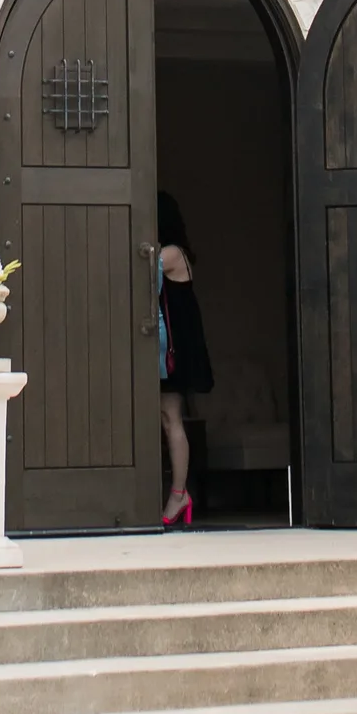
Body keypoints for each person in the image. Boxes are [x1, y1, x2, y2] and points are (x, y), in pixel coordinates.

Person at [155, 191, 211, 528]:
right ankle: (178, 493)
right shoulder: (178, 252)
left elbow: (140, 273)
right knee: (167, 418)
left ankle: (179, 493)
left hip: (170, 352)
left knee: (170, 418)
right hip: (172, 348)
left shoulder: (171, 254)